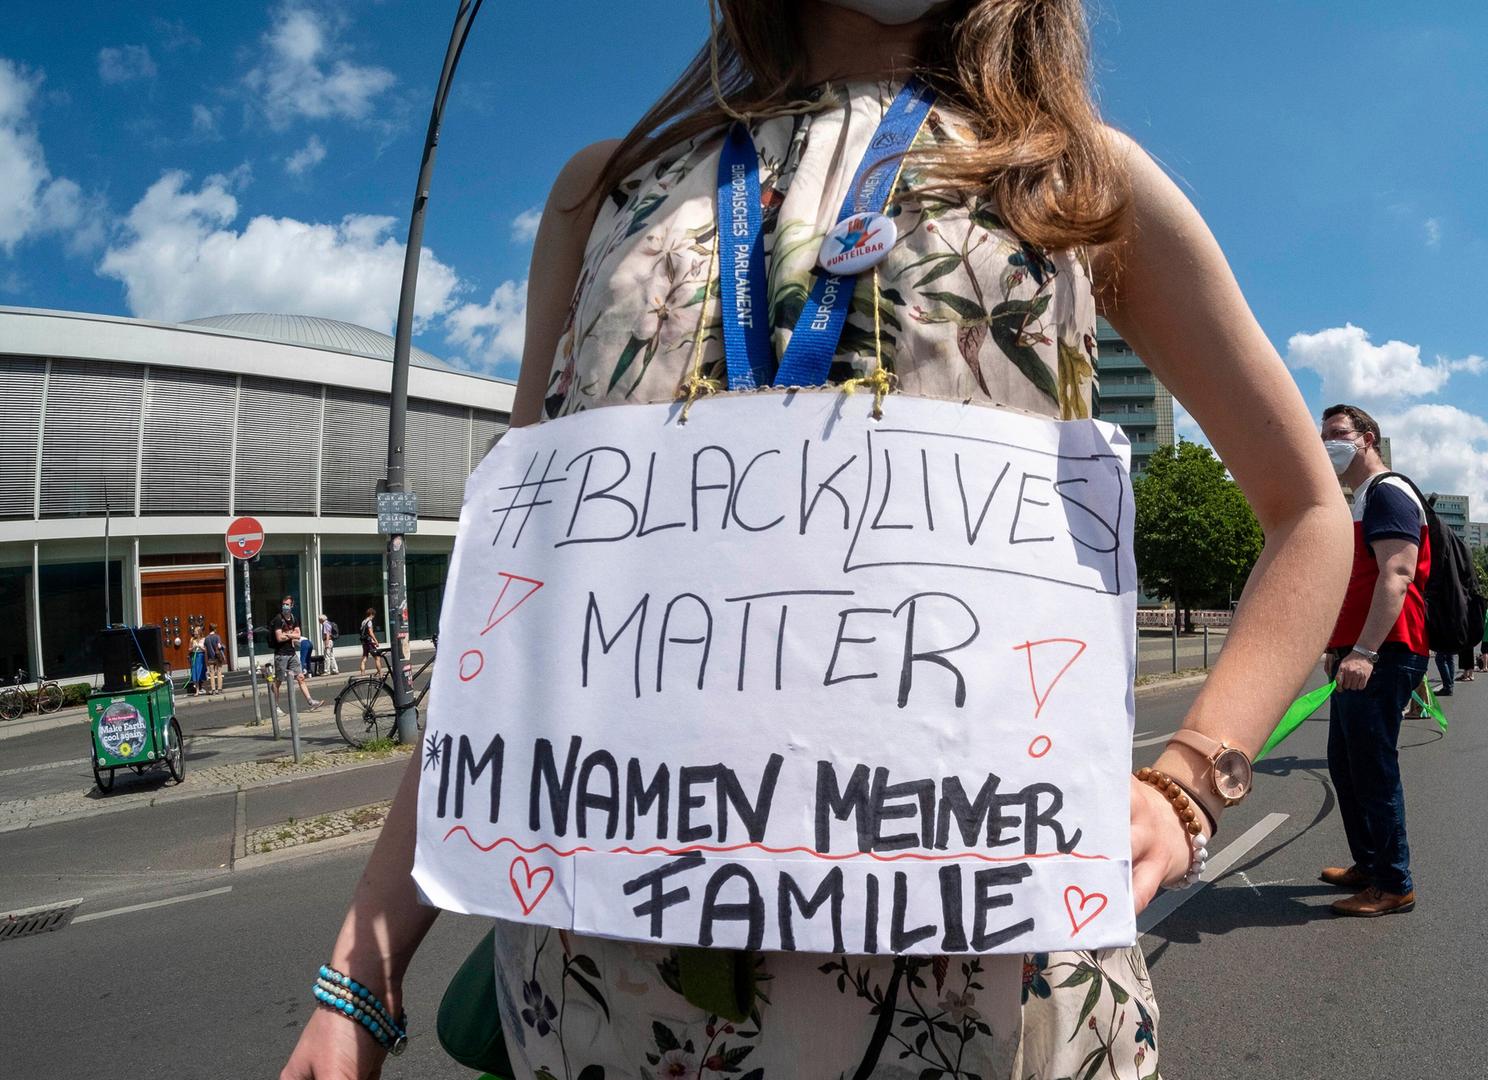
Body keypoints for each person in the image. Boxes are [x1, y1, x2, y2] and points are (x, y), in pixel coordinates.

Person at [281, 4, 1354, 1075]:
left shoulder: (1074, 176)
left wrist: (1187, 781)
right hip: (606, 1007)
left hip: (986, 1009)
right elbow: (515, 606)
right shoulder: (602, 191)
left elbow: (1309, 516)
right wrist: (361, 973)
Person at [1318, 404, 1428, 918]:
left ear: (1368, 438)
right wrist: (1339, 648)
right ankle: (1369, 863)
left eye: (1337, 434)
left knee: (1373, 770)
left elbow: (1397, 575)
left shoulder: (1388, 492)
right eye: (1323, 436)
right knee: (1347, 766)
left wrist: (1363, 651)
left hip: (1387, 653)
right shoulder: (1361, 498)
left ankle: (1393, 884)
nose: (1328, 443)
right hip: (1361, 653)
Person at [271, 596, 320, 709]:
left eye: (287, 604)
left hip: (292, 653)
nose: (285, 606)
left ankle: (310, 701)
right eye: (284, 604)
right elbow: (279, 638)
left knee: (301, 677)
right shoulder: (278, 619)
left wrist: (287, 634)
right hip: (281, 654)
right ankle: (275, 707)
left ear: (292, 605)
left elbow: (298, 635)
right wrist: (291, 634)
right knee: (278, 681)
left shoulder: (294, 618)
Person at [357, 607, 382, 674]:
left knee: (364, 657)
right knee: (377, 657)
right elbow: (370, 632)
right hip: (369, 642)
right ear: (371, 614)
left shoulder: (363, 621)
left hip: (364, 642)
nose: (373, 617)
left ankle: (362, 673)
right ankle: (380, 673)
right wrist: (376, 641)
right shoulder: (369, 622)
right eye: (373, 615)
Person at [204, 624, 226, 694]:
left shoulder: (206, 638)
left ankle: (213, 690)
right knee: (219, 672)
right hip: (217, 657)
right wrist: (222, 647)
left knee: (211, 674)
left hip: (210, 658)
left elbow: (205, 648)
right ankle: (219, 689)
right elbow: (219, 646)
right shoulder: (217, 637)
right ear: (215, 629)